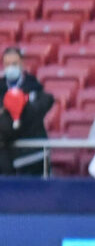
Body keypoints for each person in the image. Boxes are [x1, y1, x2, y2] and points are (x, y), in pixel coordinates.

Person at [0, 47, 53, 176]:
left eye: (14, 64)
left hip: (32, 157)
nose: (10, 67)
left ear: (22, 64)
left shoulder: (34, 88)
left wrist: (14, 112)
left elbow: (36, 112)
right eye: (7, 64)